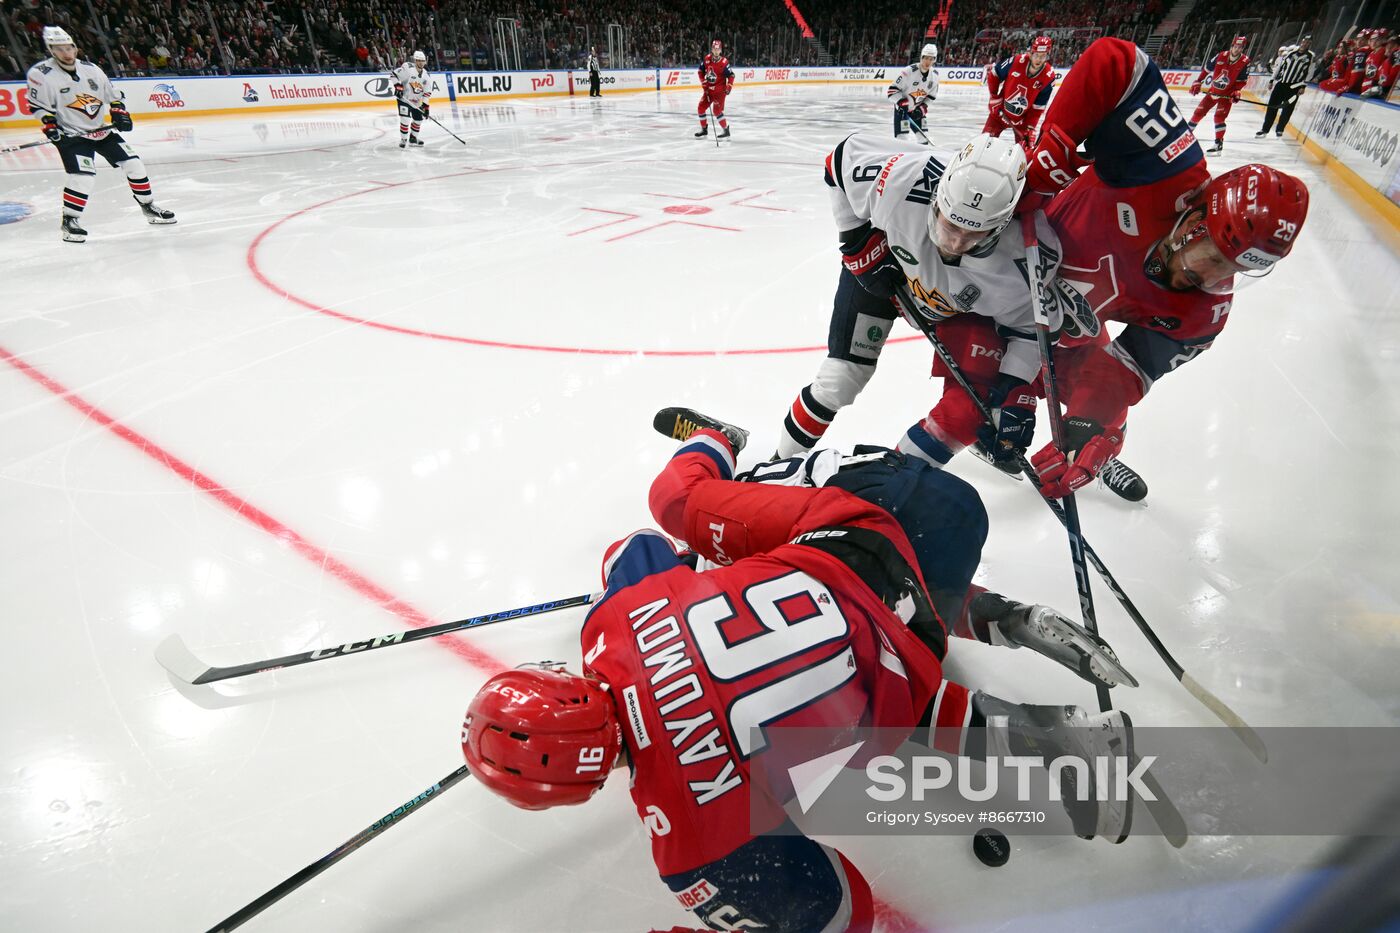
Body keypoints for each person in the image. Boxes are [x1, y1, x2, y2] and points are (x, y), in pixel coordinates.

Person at [462, 412, 1136, 933]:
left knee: (873, 711)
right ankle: (712, 445)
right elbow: (633, 549)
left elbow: (841, 911)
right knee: (676, 505)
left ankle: (1052, 730)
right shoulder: (612, 622)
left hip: (909, 656)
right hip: (862, 533)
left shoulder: (690, 843)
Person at [1016, 37, 1309, 499]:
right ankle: (1000, 414)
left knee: (1102, 397)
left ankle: (1095, 447)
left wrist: (1087, 422)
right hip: (1014, 263)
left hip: (1068, 319)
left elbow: (1129, 369)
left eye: (1230, 269)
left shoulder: (1205, 311)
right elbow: (1118, 61)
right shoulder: (1167, 168)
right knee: (988, 361)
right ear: (1193, 212)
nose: (1208, 278)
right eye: (1210, 256)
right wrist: (1050, 154)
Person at [773, 131, 1088, 484]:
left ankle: (882, 486)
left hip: (950, 309)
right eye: (949, 224)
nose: (953, 243)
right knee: (841, 380)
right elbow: (840, 160)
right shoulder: (904, 178)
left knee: (974, 410)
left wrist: (1013, 388)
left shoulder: (1026, 258)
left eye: (973, 236)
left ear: (1002, 224)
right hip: (881, 271)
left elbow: (1030, 331)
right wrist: (856, 242)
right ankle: (776, 463)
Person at [25, 26, 176, 244]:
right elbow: (38, 106)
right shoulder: (40, 75)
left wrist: (119, 112)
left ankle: (149, 207)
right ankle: (70, 220)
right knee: (83, 177)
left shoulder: (91, 69)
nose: (66, 53)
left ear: (75, 47)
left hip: (100, 131)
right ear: (51, 51)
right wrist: (50, 126)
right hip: (71, 135)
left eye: (69, 48)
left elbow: (113, 96)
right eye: (59, 50)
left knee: (134, 163)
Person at [983, 35, 1057, 151]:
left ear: (1047, 56)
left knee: (1026, 152)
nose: (1039, 59)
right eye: (1037, 55)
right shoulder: (1016, 61)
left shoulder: (1049, 76)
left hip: (1022, 120)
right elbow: (994, 74)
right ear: (1031, 53)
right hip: (1000, 112)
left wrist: (1030, 127)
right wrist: (994, 97)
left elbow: (1038, 107)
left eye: (1043, 56)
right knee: (984, 144)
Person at [1188, 35, 1251, 154]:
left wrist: (1236, 91)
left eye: (1240, 47)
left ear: (1243, 48)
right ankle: (1186, 134)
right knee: (1198, 113)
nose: (1237, 49)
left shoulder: (1245, 61)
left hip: (1226, 95)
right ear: (1232, 46)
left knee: (1219, 117)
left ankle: (1218, 143)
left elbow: (1242, 80)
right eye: (1236, 46)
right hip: (1213, 91)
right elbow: (1207, 69)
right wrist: (1198, 81)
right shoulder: (1221, 55)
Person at [1257, 36, 1315, 138]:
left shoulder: (1310, 56)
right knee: (1272, 107)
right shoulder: (1290, 53)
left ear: (1310, 44)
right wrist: (1272, 80)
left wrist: (1303, 86)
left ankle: (1280, 129)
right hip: (1281, 84)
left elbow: (1309, 73)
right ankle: (1265, 129)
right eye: (1304, 41)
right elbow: (1279, 67)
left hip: (1295, 87)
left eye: (1307, 42)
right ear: (1301, 42)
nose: (1305, 43)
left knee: (1288, 109)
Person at [887, 42, 939, 139]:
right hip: (902, 111)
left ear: (934, 60)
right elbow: (891, 92)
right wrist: (902, 103)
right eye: (926, 58)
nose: (928, 62)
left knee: (924, 138)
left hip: (917, 110)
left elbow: (931, 97)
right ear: (921, 57)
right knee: (902, 139)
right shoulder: (908, 71)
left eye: (931, 59)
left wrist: (922, 109)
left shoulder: (935, 76)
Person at [391, 50, 432, 148]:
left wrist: (425, 107)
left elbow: (426, 93)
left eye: (423, 61)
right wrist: (398, 86)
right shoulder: (408, 68)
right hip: (404, 99)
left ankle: (413, 138)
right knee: (405, 119)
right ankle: (404, 139)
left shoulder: (426, 75)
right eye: (419, 60)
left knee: (418, 120)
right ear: (415, 61)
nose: (421, 63)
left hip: (416, 102)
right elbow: (394, 75)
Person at [695, 39, 733, 139]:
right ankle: (704, 129)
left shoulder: (724, 62)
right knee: (701, 108)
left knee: (716, 111)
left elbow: (731, 75)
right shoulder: (707, 59)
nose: (716, 51)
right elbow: (700, 71)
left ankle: (726, 130)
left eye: (718, 49)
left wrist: (729, 86)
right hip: (708, 91)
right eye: (714, 49)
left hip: (720, 92)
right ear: (711, 49)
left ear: (720, 50)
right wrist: (703, 81)